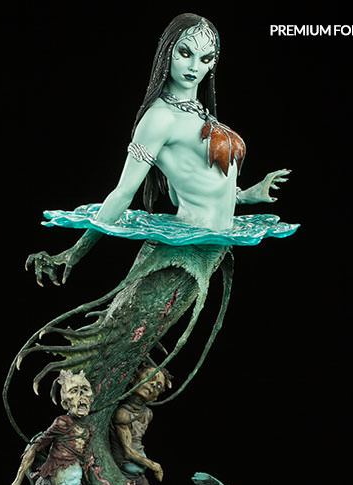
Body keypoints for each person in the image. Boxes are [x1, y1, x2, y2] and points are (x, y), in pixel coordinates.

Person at [26, 13, 292, 288]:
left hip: (213, 242)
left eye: (205, 58)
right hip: (185, 245)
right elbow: (123, 192)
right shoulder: (159, 118)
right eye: (185, 53)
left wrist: (246, 196)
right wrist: (75, 251)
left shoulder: (200, 113)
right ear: (167, 51)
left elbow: (188, 190)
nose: (194, 66)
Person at [110, 365, 170, 485]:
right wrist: (154, 466)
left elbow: (137, 443)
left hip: (138, 474)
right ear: (133, 379)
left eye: (158, 386)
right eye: (151, 377)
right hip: (123, 473)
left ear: (155, 398)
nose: (153, 385)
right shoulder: (123, 414)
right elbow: (128, 452)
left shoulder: (148, 414)